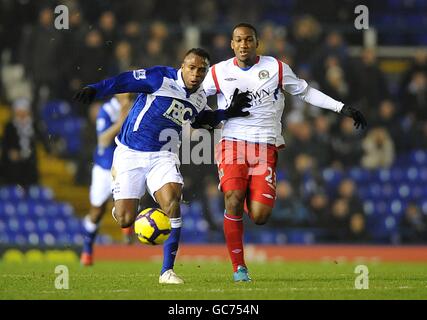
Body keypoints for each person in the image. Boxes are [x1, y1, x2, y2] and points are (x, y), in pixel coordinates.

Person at [202, 23, 367, 282]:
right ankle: (239, 268)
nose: (243, 45)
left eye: (248, 40)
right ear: (231, 44)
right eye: (238, 40)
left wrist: (341, 107)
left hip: (265, 147)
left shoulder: (276, 68)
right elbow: (194, 98)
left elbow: (306, 92)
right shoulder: (217, 72)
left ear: (257, 43)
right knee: (232, 197)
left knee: (259, 216)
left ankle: (245, 192)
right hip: (232, 142)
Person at [74, 48, 251, 284]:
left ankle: (166, 271)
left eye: (202, 70)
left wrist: (227, 113)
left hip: (163, 156)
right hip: (130, 153)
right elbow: (122, 81)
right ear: (182, 66)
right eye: (192, 67)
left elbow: (201, 120)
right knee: (126, 218)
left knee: (172, 202)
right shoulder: (160, 78)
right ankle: (122, 205)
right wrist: (95, 89)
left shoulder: (198, 97)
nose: (196, 73)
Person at [80, 93, 133, 266]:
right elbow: (102, 140)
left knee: (132, 201)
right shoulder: (107, 110)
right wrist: (120, 123)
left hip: (126, 164)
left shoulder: (139, 104)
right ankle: (87, 249)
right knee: (97, 212)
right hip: (104, 167)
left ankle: (128, 228)